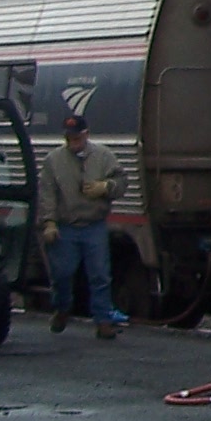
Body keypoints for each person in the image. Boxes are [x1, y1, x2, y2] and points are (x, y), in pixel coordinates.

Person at [37, 109, 126, 339]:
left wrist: (106, 187)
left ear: (86, 134)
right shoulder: (53, 161)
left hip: (94, 224)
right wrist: (49, 222)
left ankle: (103, 320)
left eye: (76, 138)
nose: (72, 143)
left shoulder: (104, 156)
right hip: (66, 225)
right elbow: (47, 194)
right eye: (68, 138)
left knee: (100, 275)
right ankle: (62, 307)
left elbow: (121, 181)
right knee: (62, 273)